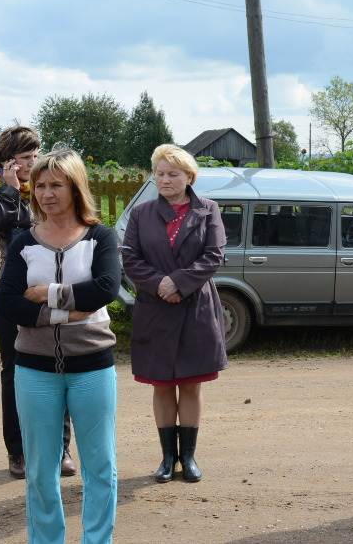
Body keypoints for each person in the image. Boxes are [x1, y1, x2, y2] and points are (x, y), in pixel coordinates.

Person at [0, 149, 121, 544]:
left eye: (57, 184)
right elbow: (8, 303)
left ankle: (96, 540)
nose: (46, 193)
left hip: (93, 366)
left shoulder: (100, 236)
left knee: (100, 465)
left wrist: (46, 293)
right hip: (33, 368)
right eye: (41, 185)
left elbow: (106, 289)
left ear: (75, 186)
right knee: (40, 468)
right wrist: (68, 311)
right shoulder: (23, 242)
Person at [0, 125, 76, 480]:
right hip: (5, 293)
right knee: (15, 370)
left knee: (57, 362)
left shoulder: (45, 191)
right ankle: (18, 452)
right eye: (26, 158)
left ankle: (60, 448)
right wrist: (12, 192)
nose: (34, 162)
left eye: (36, 155)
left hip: (49, 290)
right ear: (6, 161)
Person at [121, 144, 228, 483]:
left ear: (189, 177)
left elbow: (214, 256)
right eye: (160, 173)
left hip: (195, 308)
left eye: (172, 174)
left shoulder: (209, 210)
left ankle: (190, 457)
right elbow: (130, 259)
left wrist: (179, 283)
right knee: (163, 386)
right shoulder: (141, 213)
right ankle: (168, 459)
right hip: (156, 309)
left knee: (192, 386)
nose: (164, 180)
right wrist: (160, 284)